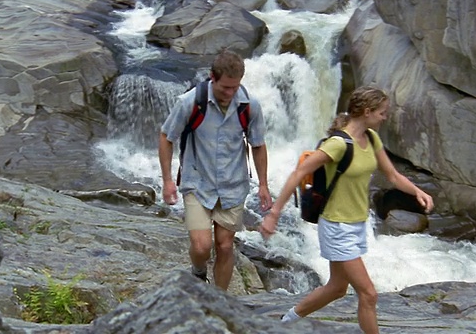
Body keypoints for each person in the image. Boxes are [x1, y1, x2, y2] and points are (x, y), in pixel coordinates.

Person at [259, 86, 434, 334]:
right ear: (367, 112)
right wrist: (274, 213)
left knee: (337, 288)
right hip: (337, 226)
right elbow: (300, 171)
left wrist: (417, 192)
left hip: (358, 224)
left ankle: (285, 322)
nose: (385, 117)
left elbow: (393, 175)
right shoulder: (338, 144)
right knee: (369, 293)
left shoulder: (372, 139)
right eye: (382, 112)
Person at [159, 50, 273, 290]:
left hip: (233, 185)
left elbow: (258, 145)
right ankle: (198, 270)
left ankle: (219, 300)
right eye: (225, 88)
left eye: (235, 88)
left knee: (224, 246)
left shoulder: (250, 105)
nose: (230, 94)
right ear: (212, 77)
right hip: (197, 182)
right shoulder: (190, 102)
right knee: (201, 247)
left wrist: (263, 184)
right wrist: (168, 180)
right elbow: (166, 137)